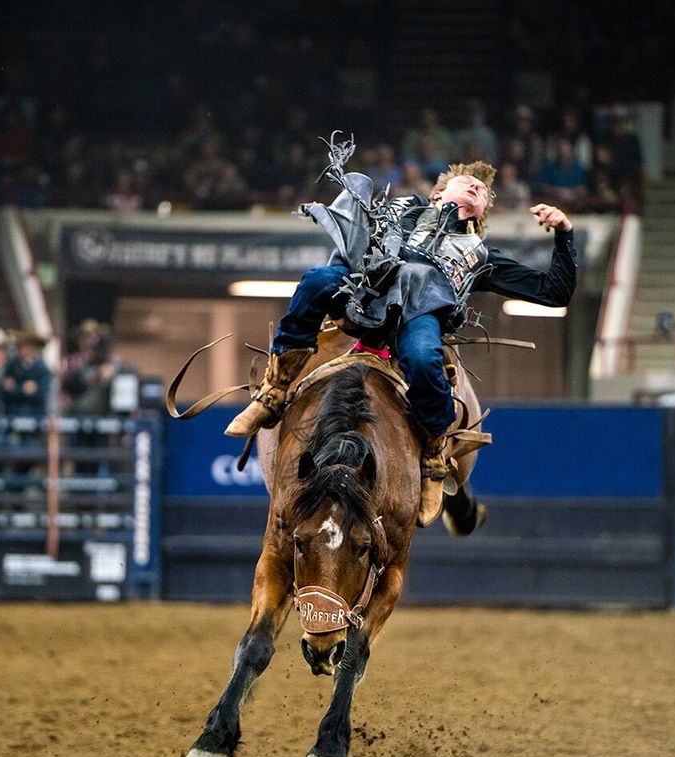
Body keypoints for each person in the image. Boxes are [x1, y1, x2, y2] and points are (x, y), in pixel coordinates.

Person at [225, 154, 577, 524]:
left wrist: (564, 232)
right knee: (315, 280)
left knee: (424, 359)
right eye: (468, 182)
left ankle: (435, 452)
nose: (477, 186)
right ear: (439, 193)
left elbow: (554, 291)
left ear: (483, 209)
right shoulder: (398, 210)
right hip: (363, 294)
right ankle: (276, 388)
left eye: (484, 191)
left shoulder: (482, 256)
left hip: (417, 316)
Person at [1, 329, 51, 418]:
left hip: (35, 415)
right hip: (14, 414)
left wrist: (15, 387)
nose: (24, 349)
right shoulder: (12, 365)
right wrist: (23, 389)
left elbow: (41, 394)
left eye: (28, 346)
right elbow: (5, 390)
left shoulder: (42, 368)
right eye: (21, 346)